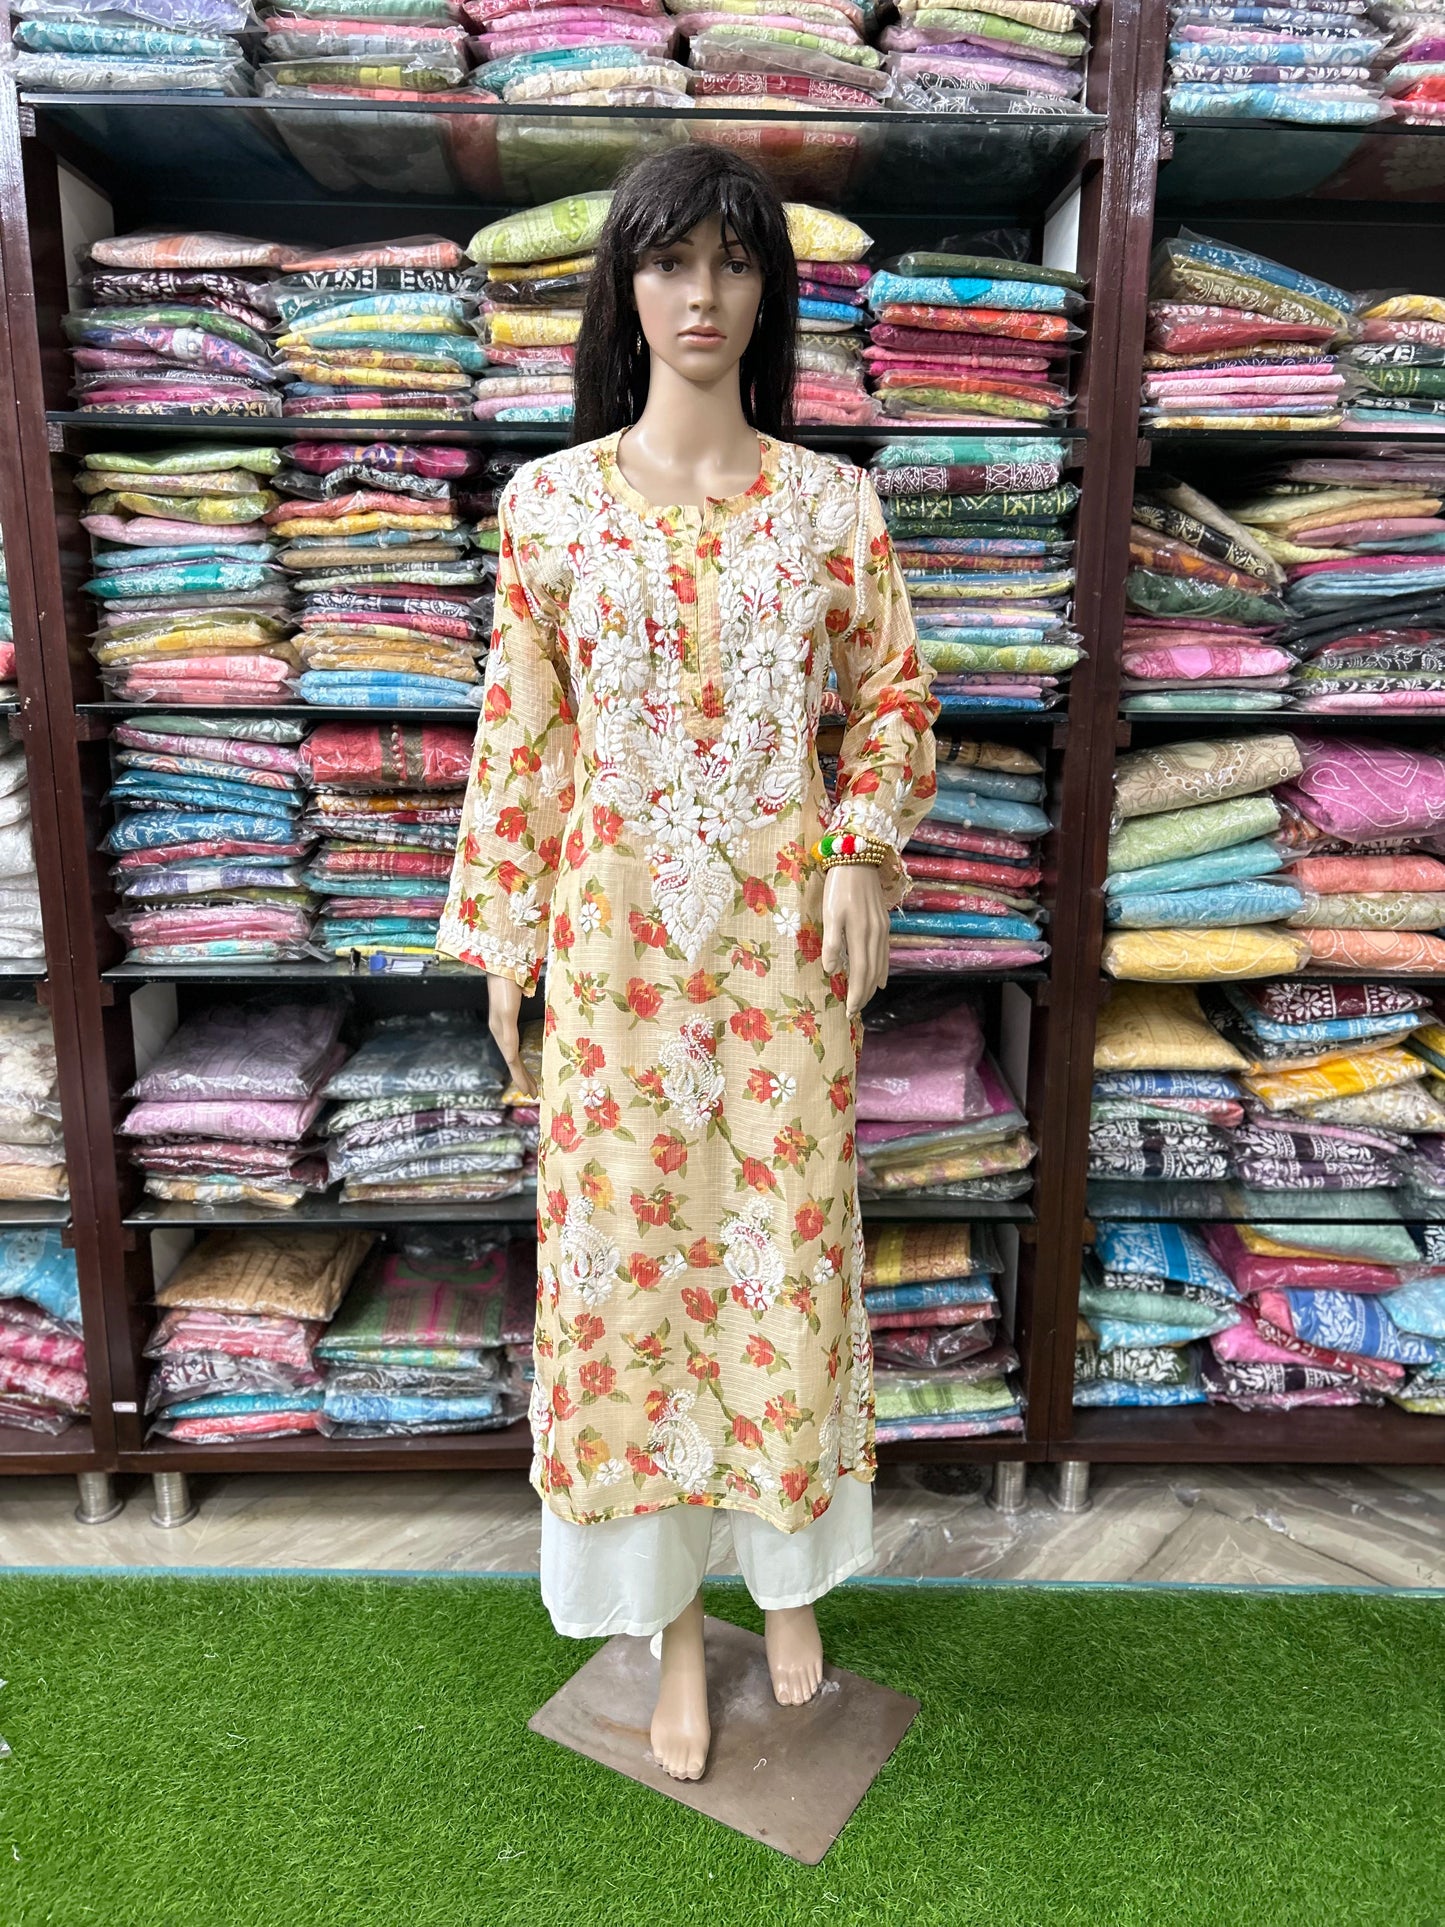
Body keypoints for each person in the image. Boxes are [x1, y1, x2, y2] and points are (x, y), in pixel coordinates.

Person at [439, 145, 937, 1781]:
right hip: (611, 964)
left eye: (732, 262)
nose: (702, 294)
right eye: (670, 262)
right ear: (625, 286)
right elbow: (519, 740)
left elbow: (893, 704)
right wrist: (502, 941)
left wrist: (861, 840)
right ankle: (665, 1626)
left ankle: (788, 1583)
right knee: (632, 1282)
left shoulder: (829, 505)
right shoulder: (550, 507)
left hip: (783, 966)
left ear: (766, 290)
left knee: (780, 1269)